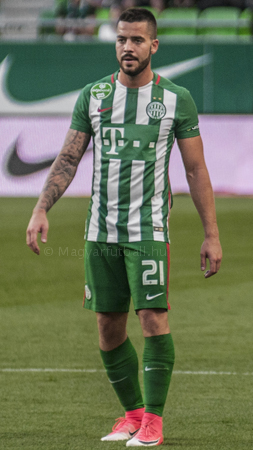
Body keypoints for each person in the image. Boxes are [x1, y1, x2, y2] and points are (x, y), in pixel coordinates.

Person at [26, 7, 222, 447]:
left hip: (148, 230)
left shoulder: (176, 99)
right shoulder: (93, 95)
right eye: (121, 39)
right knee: (108, 325)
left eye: (136, 40)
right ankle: (132, 414)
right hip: (100, 231)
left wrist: (211, 234)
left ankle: (154, 420)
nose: (127, 47)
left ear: (154, 45)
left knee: (153, 318)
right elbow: (69, 158)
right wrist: (41, 208)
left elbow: (195, 169)